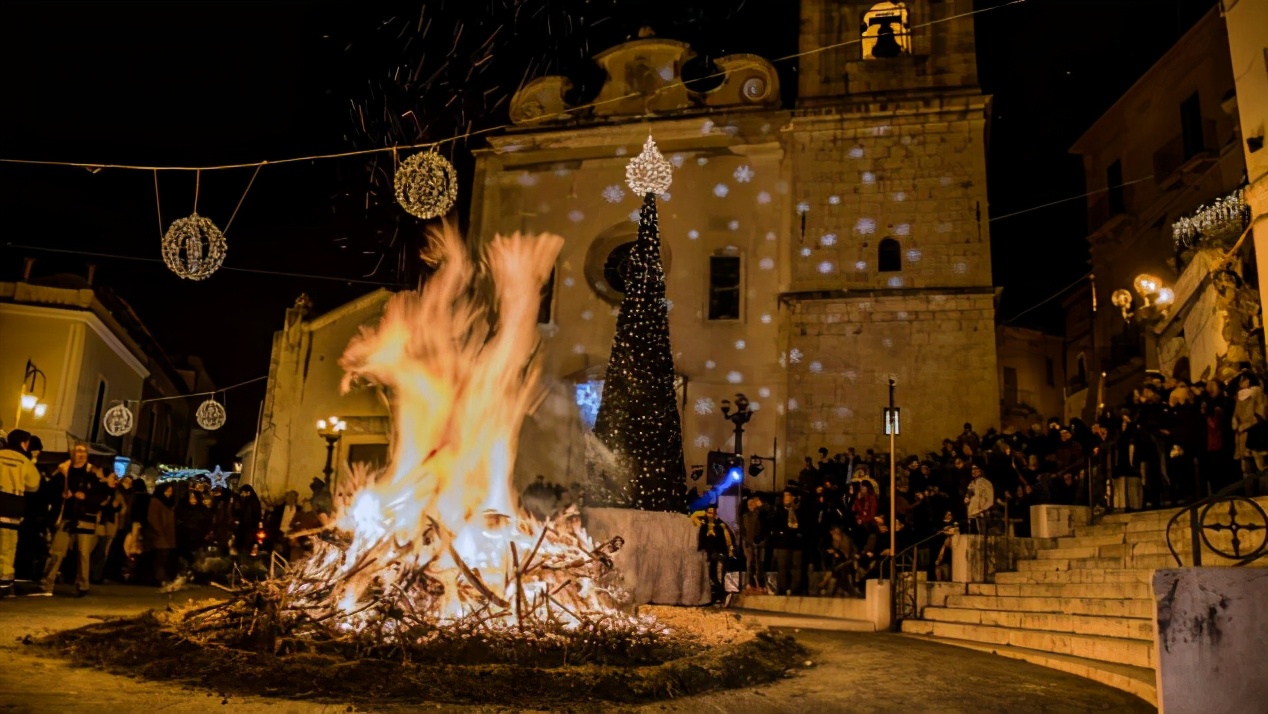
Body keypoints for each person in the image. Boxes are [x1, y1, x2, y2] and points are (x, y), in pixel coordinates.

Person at [40, 444, 107, 596]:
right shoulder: (64, 470)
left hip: (84, 518)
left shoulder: (92, 473)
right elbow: (49, 490)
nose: (81, 454)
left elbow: (102, 496)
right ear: (72, 454)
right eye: (78, 451)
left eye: (84, 451)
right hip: (66, 517)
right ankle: (47, 582)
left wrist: (86, 497)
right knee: (57, 551)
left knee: (83, 553)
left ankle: (83, 584)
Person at [0, 429, 41, 597]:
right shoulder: (25, 461)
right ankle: (3, 585)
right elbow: (34, 485)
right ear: (24, 443)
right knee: (7, 549)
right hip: (11, 511)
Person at [697, 505, 735, 603]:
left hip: (719, 555)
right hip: (710, 556)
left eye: (712, 512)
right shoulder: (704, 526)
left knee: (718, 576)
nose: (710, 514)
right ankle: (720, 595)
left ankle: (723, 596)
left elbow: (725, 540)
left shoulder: (720, 526)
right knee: (711, 576)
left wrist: (725, 552)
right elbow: (702, 541)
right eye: (708, 512)